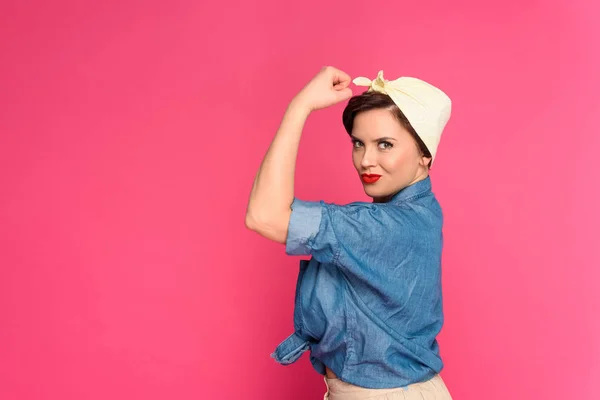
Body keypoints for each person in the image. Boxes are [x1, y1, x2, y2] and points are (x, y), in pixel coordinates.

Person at [245, 66, 453, 399]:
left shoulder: (384, 227)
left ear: (424, 156)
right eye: (359, 143)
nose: (366, 160)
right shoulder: (419, 214)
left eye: (385, 144)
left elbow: (264, 215)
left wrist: (299, 107)